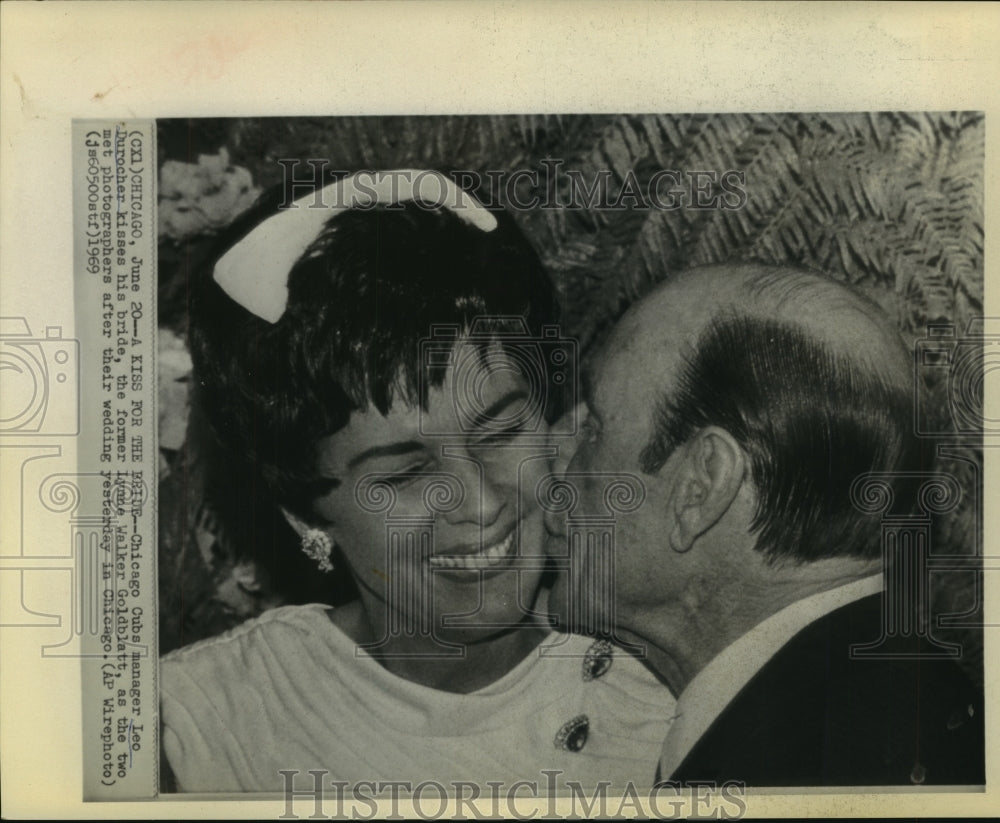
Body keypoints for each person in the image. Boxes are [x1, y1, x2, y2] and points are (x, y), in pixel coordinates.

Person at [159, 169, 676, 793]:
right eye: (405, 473)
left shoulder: (668, 684)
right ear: (304, 513)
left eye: (501, 432)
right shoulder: (199, 734)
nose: (479, 502)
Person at [545, 262, 985, 787]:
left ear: (700, 488)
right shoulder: (889, 710)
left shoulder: (798, 777)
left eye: (594, 427)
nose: (553, 446)